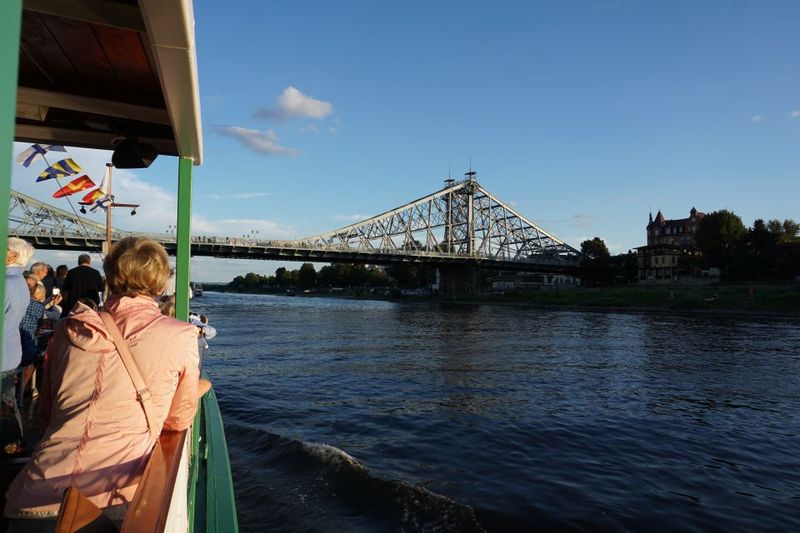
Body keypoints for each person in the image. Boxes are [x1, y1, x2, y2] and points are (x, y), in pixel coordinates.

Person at [5, 237, 203, 524]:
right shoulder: (180, 336)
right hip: (109, 499)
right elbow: (178, 419)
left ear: (108, 277)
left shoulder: (67, 328)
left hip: (35, 493)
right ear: (161, 285)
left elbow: (47, 411)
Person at [2, 238, 35, 457]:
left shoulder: (6, 282)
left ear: (12, 255)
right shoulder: (20, 281)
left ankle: (10, 450)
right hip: (10, 350)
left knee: (5, 404)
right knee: (7, 402)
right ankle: (14, 447)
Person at [18, 282, 46, 399]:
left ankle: (20, 387)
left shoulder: (22, 302)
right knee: (34, 361)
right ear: (40, 294)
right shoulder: (39, 307)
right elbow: (38, 328)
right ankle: (23, 389)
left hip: (17, 339)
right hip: (27, 342)